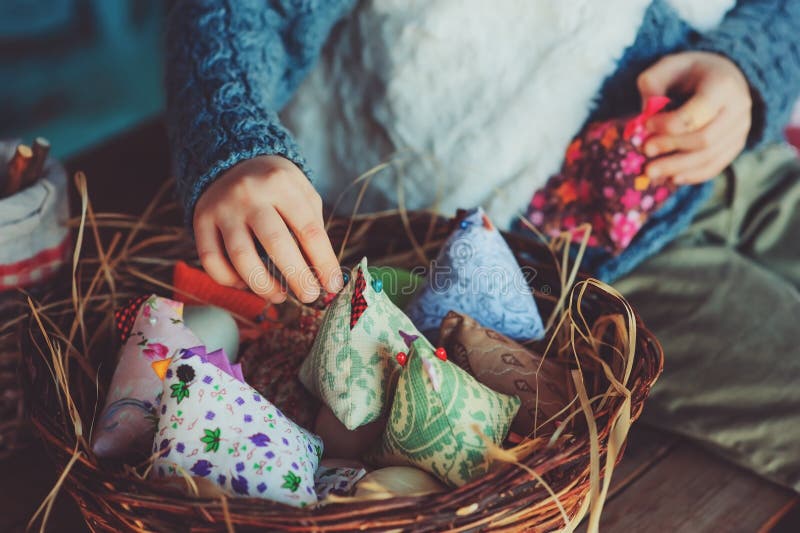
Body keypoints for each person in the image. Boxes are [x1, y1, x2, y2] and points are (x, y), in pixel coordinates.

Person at [166, 0, 800, 492]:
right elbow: (236, 14)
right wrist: (233, 138)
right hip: (556, 251)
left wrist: (747, 69)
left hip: (739, 150)